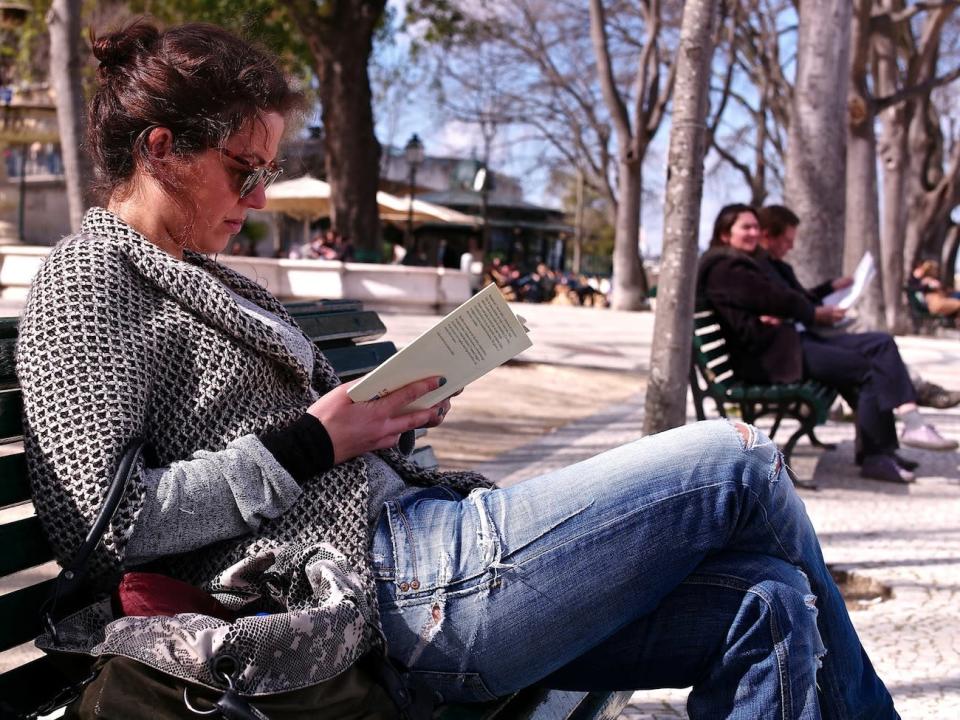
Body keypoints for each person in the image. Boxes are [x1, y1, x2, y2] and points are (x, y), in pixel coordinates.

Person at [17, 21, 901, 719]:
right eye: (244, 172)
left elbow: (312, 437)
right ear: (162, 148)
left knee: (771, 602)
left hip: (431, 540)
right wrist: (312, 442)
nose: (257, 199)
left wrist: (389, 414)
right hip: (389, 582)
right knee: (738, 461)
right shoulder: (90, 281)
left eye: (268, 174)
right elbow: (100, 526)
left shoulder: (208, 275)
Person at [698, 204, 956, 486]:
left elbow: (778, 298)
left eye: (755, 227)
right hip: (767, 358)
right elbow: (776, 298)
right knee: (865, 368)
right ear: (725, 234)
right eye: (745, 227)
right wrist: (805, 312)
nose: (753, 233)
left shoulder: (742, 262)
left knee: (879, 344)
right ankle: (876, 456)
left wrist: (793, 307)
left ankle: (888, 447)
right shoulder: (727, 266)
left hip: (779, 347)